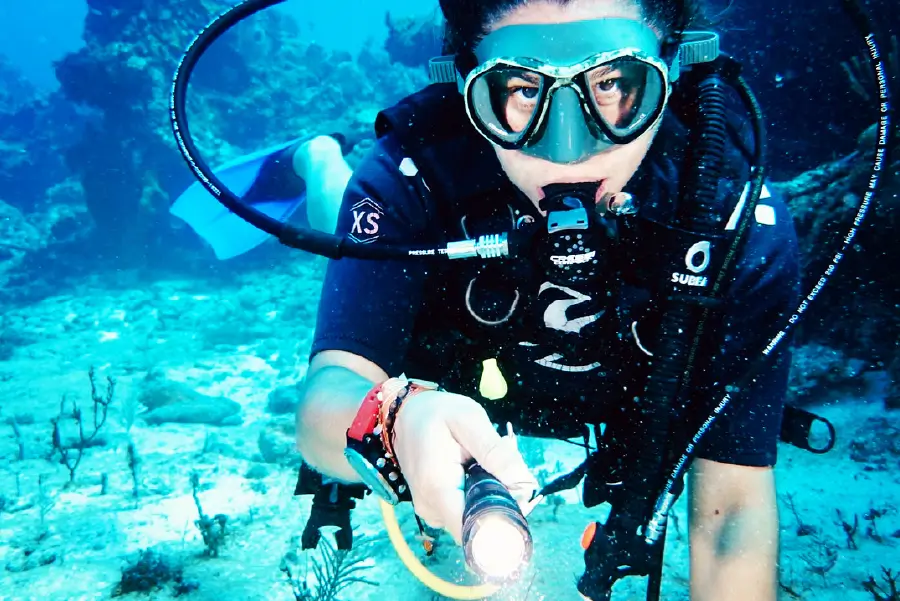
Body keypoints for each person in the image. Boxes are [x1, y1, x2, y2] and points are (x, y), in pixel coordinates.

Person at [175, 0, 800, 599]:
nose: (568, 149)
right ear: (470, 84)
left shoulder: (730, 210)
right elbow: (325, 400)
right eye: (523, 90)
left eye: (612, 84)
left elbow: (732, 511)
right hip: (454, 366)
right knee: (343, 218)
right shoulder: (414, 171)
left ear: (668, 70)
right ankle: (319, 160)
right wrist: (393, 418)